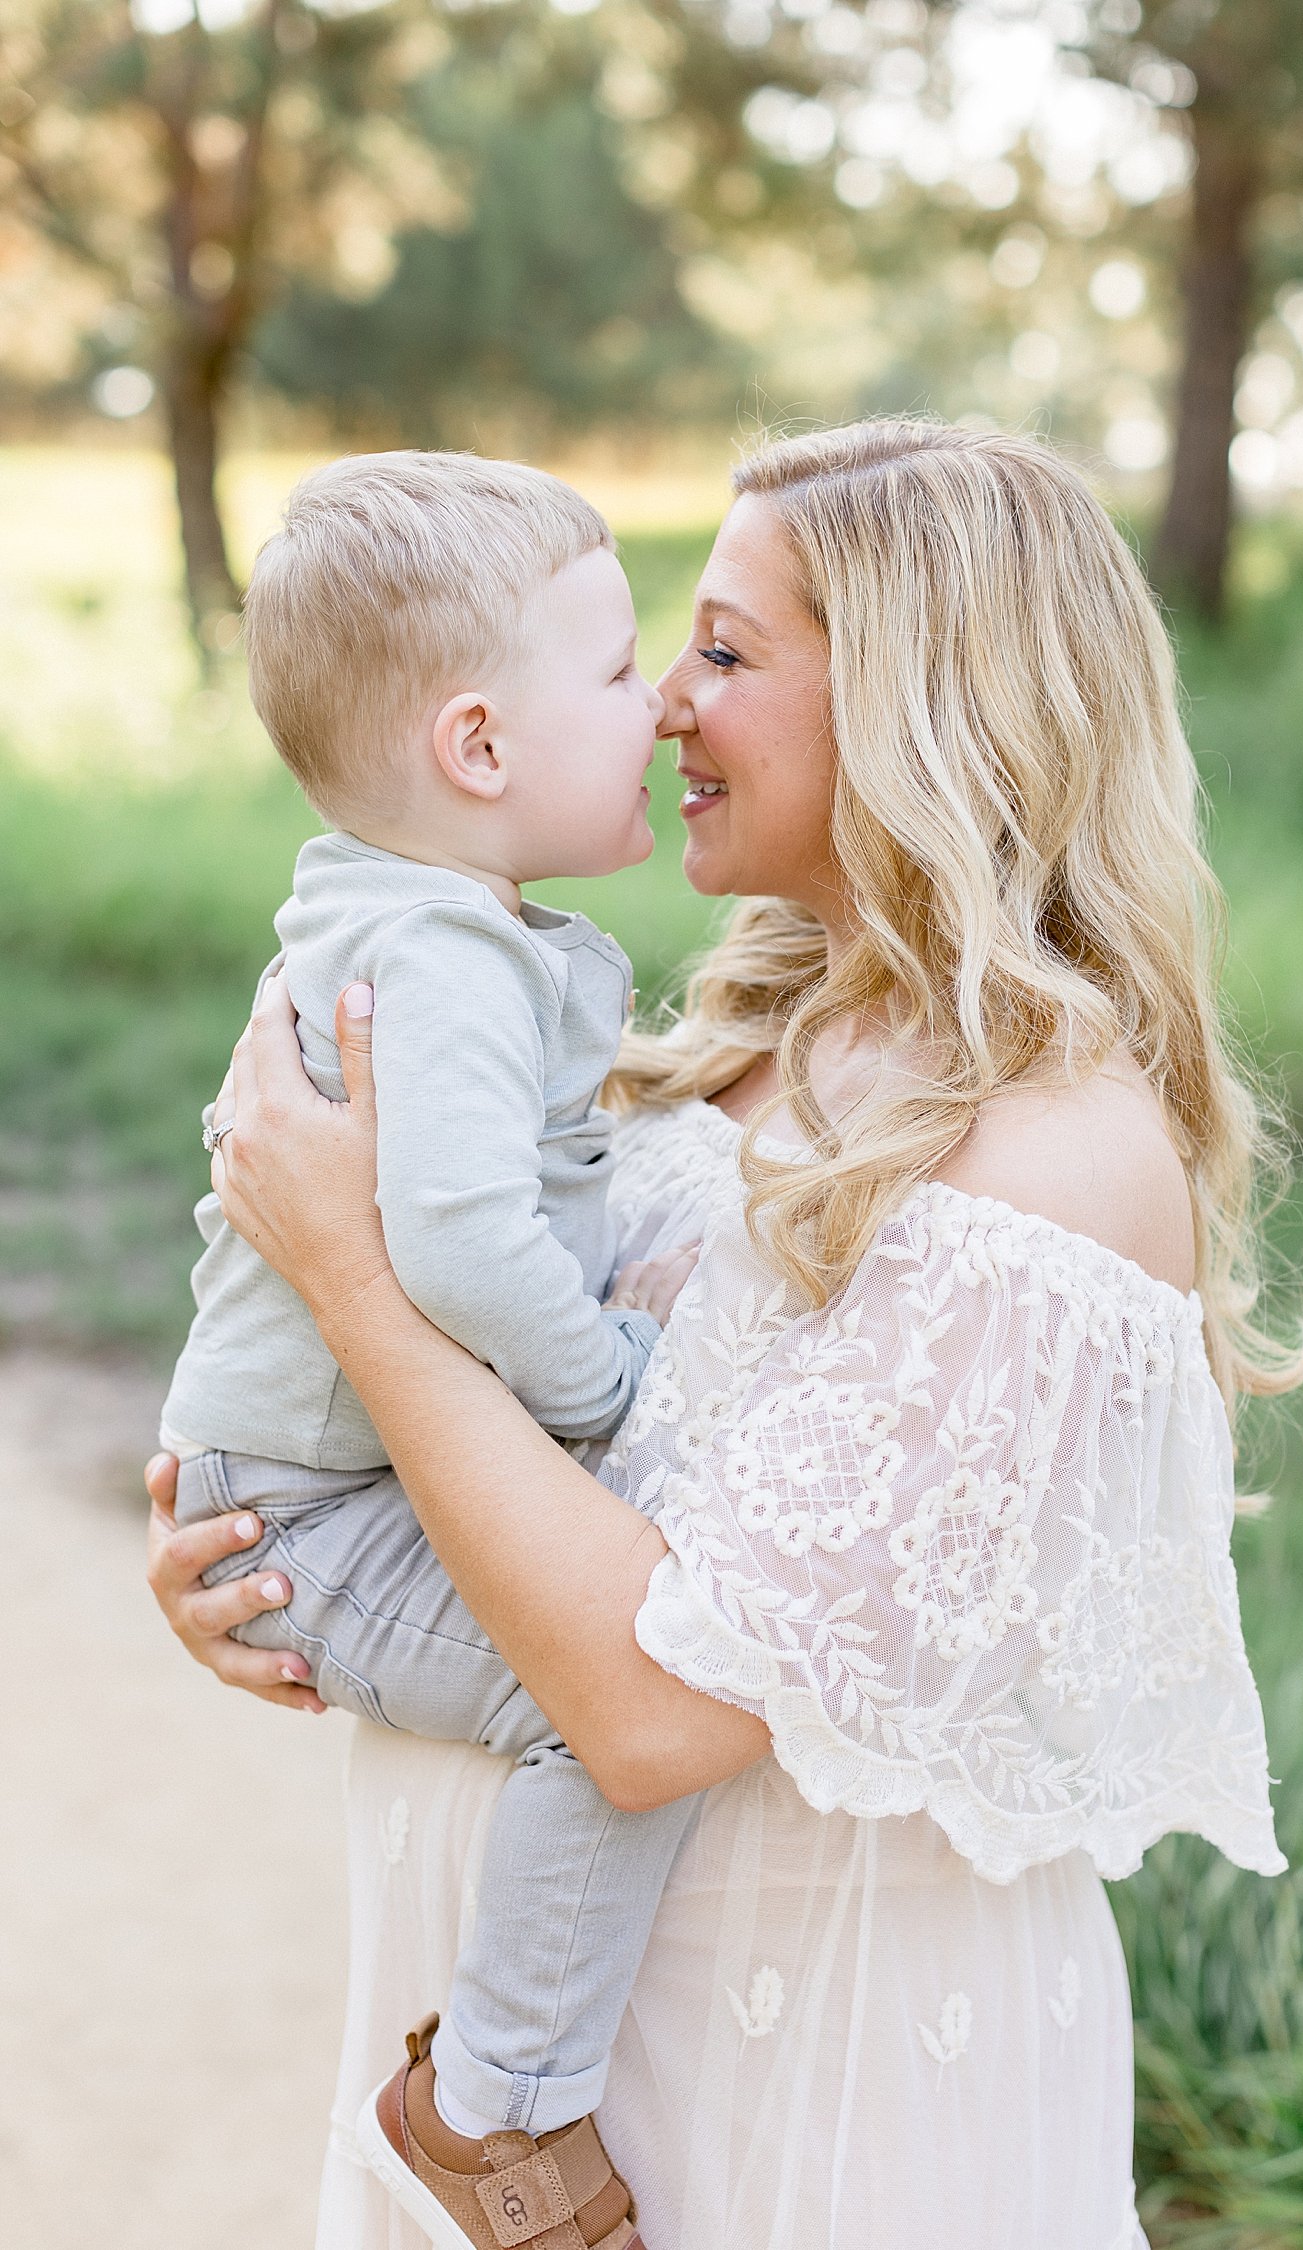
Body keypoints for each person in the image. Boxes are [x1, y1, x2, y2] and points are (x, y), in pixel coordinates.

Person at [149, 418, 1303, 2250]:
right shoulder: (715, 1051)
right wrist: (276, 1545)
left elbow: (648, 1700)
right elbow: (523, 1486)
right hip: (525, 2100)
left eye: (723, 648)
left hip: (806, 2120)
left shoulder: (1053, 1150)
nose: (668, 705)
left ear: (924, 703)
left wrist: (365, 1304)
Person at [159, 449, 705, 2249]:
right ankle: (497, 2102)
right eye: (623, 670)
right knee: (593, 1690)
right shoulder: (447, 960)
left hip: (320, 1472)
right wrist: (617, 1394)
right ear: (479, 749)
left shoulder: (425, 921)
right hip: (315, 1509)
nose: (660, 703)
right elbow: (463, 1240)